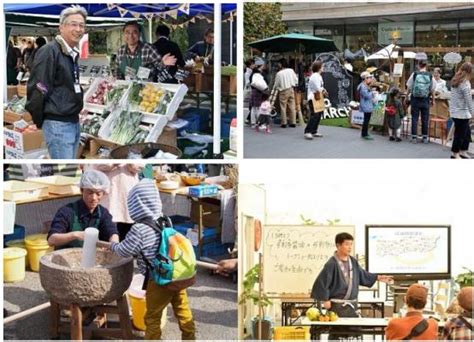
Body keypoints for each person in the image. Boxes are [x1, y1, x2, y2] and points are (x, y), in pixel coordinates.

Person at [99, 179, 196, 340]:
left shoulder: (140, 228)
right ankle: (189, 337)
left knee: (152, 317)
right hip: (176, 275)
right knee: (183, 310)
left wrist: (113, 245)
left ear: (136, 205)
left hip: (158, 280)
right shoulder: (165, 219)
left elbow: (125, 250)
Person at [25, 6, 88, 159]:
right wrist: (41, 121)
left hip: (72, 122)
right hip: (58, 124)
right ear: (61, 27)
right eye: (73, 24)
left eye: (81, 25)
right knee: (64, 175)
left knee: (68, 173)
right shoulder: (49, 51)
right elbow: (38, 88)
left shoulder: (71, 53)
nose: (78, 29)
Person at [311, 232, 393, 340]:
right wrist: (325, 299)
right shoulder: (331, 264)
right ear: (338, 245)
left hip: (352, 305)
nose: (349, 247)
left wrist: (377, 277)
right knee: (338, 333)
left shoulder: (353, 261)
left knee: (355, 333)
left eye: (351, 244)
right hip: (337, 306)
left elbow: (362, 275)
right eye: (346, 244)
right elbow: (322, 282)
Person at [47, 170, 119, 248]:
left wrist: (114, 243)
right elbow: (51, 240)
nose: (94, 198)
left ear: (103, 193)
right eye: (90, 192)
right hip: (66, 257)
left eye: (98, 193)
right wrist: (75, 235)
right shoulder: (67, 211)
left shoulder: (103, 213)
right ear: (82, 190)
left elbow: (112, 232)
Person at [93, 164, 143, 241]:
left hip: (127, 192)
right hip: (109, 193)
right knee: (107, 227)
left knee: (126, 231)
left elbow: (140, 166)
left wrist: (132, 164)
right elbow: (100, 164)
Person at [406, 60, 436, 144]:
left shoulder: (415, 74)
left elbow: (409, 86)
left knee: (415, 118)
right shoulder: (430, 75)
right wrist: (433, 100)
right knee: (425, 118)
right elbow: (432, 89)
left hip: (415, 99)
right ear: (426, 66)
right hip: (425, 99)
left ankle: (414, 137)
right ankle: (425, 137)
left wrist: (406, 97)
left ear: (419, 65)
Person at [449, 62, 473, 159]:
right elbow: (469, 101)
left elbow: (460, 95)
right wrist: (473, 113)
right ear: (469, 72)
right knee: (460, 135)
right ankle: (455, 153)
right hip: (462, 113)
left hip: (455, 112)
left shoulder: (456, 80)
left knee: (466, 133)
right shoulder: (465, 83)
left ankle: (463, 151)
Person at [304, 61, 327, 140]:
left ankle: (314, 130)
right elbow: (318, 87)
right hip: (313, 97)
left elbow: (320, 86)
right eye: (322, 66)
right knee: (315, 114)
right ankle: (308, 131)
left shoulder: (318, 76)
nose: (323, 68)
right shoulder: (315, 76)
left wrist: (323, 90)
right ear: (319, 68)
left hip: (317, 97)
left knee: (319, 113)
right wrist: (323, 90)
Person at [274, 58, 298, 128]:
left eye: (279, 63)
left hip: (283, 90)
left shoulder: (279, 73)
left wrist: (278, 88)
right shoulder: (291, 70)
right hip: (291, 89)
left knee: (283, 107)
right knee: (292, 106)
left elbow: (276, 84)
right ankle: (293, 122)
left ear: (281, 64)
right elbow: (296, 80)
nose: (278, 65)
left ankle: (284, 123)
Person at [249, 59, 268, 127]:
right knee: (259, 108)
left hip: (254, 91)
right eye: (263, 65)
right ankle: (259, 123)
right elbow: (262, 83)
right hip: (258, 91)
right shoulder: (258, 73)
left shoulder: (253, 73)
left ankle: (253, 123)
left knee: (254, 108)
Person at [357, 71, 376, 140]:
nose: (370, 79)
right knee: (366, 120)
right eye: (369, 77)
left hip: (367, 104)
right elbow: (366, 96)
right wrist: (372, 92)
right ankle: (364, 134)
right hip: (366, 105)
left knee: (367, 119)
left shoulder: (365, 85)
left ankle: (365, 133)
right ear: (365, 78)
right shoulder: (363, 86)